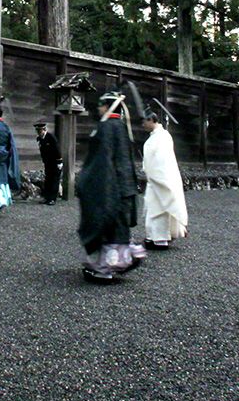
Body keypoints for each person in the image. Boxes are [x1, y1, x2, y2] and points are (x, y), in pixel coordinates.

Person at [76, 90, 146, 283]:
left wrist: (87, 181)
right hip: (125, 187)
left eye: (100, 105)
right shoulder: (123, 127)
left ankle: (103, 269)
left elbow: (102, 160)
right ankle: (121, 259)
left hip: (109, 185)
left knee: (102, 225)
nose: (98, 109)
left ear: (106, 106)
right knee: (117, 228)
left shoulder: (105, 127)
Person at [141, 108, 187, 250]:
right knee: (153, 209)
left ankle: (160, 240)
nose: (142, 124)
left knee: (160, 210)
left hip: (160, 179)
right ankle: (152, 237)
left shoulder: (163, 137)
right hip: (154, 180)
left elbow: (162, 161)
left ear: (151, 120)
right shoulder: (156, 136)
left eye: (144, 121)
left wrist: (154, 175)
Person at [34, 120, 62, 205]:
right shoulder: (39, 139)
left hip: (55, 162)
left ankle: (52, 199)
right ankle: (46, 198)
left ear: (44, 129)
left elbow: (57, 150)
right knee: (48, 180)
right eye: (37, 131)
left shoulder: (51, 137)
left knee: (54, 180)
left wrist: (59, 161)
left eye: (40, 130)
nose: (39, 132)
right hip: (48, 162)